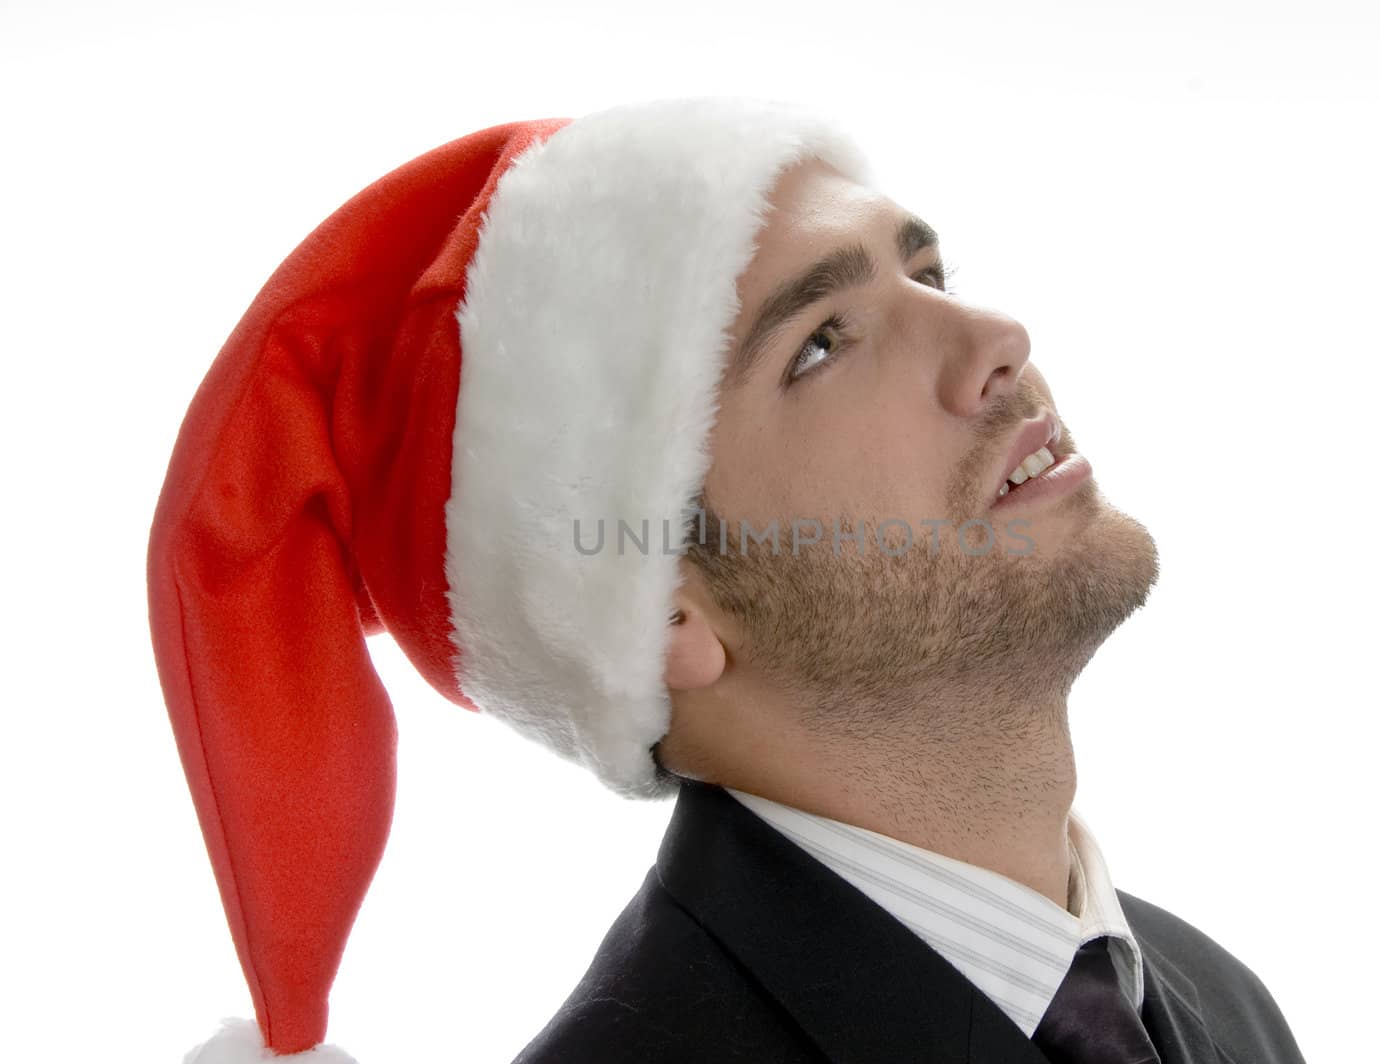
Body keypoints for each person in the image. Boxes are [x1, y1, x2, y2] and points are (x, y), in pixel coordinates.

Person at [148, 96, 1304, 1063]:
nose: (995, 336)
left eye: (930, 268)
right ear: (659, 608)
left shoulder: (1221, 1004)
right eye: (821, 341)